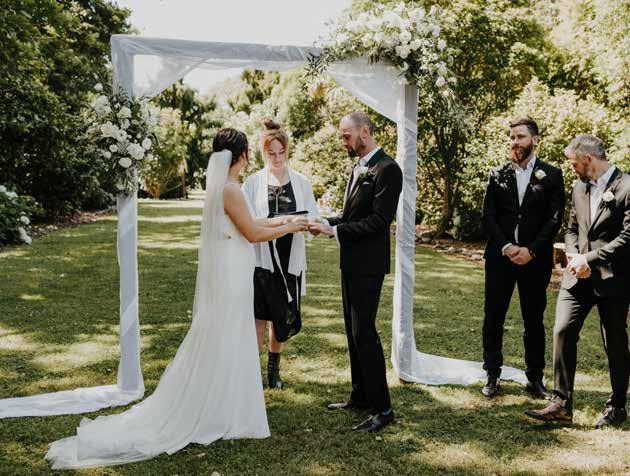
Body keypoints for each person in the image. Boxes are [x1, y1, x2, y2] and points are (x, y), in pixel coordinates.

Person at [45, 128, 308, 469]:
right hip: (231, 276)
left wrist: (285, 220)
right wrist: (292, 226)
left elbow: (251, 223)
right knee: (230, 335)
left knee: (228, 335)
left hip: (231, 270)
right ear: (243, 155)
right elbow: (253, 233)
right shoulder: (230, 189)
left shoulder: (224, 186)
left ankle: (225, 401)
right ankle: (224, 408)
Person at [525, 134, 630, 428]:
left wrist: (590, 259)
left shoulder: (627, 186)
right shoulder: (579, 187)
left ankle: (617, 407)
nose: (571, 168)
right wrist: (573, 257)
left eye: (574, 163)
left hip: (613, 278)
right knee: (562, 330)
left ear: (588, 159)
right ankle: (561, 403)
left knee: (615, 341)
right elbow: (571, 228)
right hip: (577, 278)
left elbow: (628, 237)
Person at [309, 111, 402, 433]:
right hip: (350, 261)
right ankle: (360, 395)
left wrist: (334, 231)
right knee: (352, 331)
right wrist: (326, 222)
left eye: (346, 135)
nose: (343, 141)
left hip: (369, 265)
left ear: (364, 132)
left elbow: (378, 222)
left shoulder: (388, 169)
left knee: (365, 333)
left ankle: (383, 410)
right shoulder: (358, 167)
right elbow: (352, 215)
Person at [480, 118, 565, 398]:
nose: (514, 142)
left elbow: (554, 219)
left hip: (535, 260)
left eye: (520, 136)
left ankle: (535, 378)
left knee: (534, 319)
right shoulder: (497, 173)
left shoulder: (552, 175)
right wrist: (506, 246)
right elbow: (488, 216)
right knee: (493, 316)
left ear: (535, 140)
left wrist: (532, 250)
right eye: (512, 137)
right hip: (500, 257)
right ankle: (492, 374)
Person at [242, 119, 319, 389]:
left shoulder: (301, 182)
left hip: (290, 258)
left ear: (287, 151)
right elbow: (248, 219)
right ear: (264, 153)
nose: (276, 158)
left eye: (281, 152)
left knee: (281, 316)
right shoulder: (253, 183)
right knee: (259, 315)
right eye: (271, 153)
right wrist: (280, 223)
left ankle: (273, 368)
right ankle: (252, 373)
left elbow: (313, 215)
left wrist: (308, 224)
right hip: (261, 257)